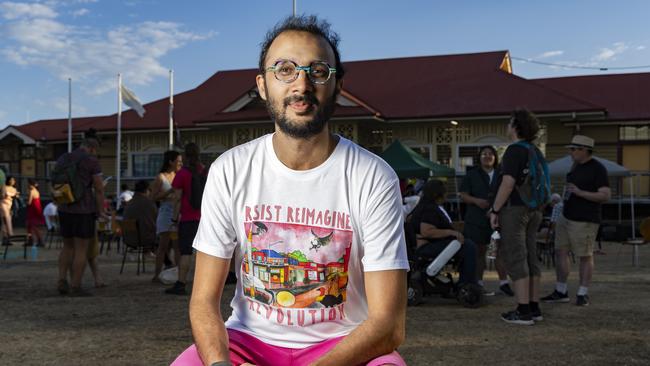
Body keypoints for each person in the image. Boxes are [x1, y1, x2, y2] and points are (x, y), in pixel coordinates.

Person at [172, 15, 408, 366]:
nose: (301, 85)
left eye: (317, 71)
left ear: (337, 86)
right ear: (263, 85)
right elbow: (204, 301)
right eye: (284, 69)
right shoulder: (230, 170)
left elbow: (389, 326)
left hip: (343, 347)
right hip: (247, 342)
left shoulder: (373, 177)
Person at [489, 108, 546, 325]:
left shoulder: (514, 151)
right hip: (534, 209)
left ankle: (522, 311)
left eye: (509, 122)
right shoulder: (535, 151)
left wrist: (495, 209)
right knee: (531, 257)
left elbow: (508, 182)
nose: (507, 126)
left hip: (515, 209)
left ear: (515, 126)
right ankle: (533, 306)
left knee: (516, 256)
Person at [541, 135, 610, 306]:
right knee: (560, 252)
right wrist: (562, 200)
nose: (570, 152)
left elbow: (605, 195)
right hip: (567, 215)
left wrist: (581, 193)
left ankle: (582, 293)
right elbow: (571, 190)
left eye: (573, 149)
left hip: (585, 219)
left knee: (585, 256)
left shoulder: (598, 168)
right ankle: (561, 290)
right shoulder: (575, 167)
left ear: (584, 150)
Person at [56, 134, 106, 296]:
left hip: (64, 207)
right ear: (92, 148)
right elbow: (98, 189)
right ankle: (75, 286)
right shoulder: (91, 161)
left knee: (67, 246)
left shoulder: (64, 158)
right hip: (83, 209)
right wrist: (101, 210)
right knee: (81, 249)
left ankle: (62, 280)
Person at [459, 146, 513, 296]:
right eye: (484, 154)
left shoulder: (501, 174)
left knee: (499, 251)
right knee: (479, 252)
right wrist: (476, 201)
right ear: (479, 157)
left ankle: (504, 283)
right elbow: (463, 195)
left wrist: (496, 209)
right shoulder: (472, 174)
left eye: (490, 154)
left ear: (495, 157)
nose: (487, 156)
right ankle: (479, 284)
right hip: (476, 219)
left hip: (498, 218)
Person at [411, 179, 478, 286]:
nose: (446, 194)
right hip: (426, 247)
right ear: (437, 194)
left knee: (466, 244)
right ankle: (467, 283)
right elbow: (427, 232)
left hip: (426, 245)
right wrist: (452, 233)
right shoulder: (429, 209)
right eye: (444, 192)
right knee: (469, 247)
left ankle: (466, 281)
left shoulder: (426, 206)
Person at [166, 143, 205, 295]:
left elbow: (176, 198)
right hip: (204, 218)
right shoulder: (204, 171)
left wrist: (174, 218)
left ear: (185, 156)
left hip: (188, 218)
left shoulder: (182, 173)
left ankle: (181, 283)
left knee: (186, 252)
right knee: (205, 253)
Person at [150, 150, 182, 283]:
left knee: (177, 245)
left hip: (176, 212)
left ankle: (180, 274)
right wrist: (169, 191)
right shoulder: (161, 177)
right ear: (171, 162)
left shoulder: (179, 175)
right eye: (178, 161)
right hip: (165, 212)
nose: (180, 163)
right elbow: (153, 197)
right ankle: (157, 274)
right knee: (163, 245)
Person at [123, 179, 158, 249]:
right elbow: (153, 223)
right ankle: (161, 257)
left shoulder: (129, 203)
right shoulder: (148, 203)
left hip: (128, 239)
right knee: (165, 234)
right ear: (147, 190)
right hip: (144, 239)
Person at [26, 179, 46, 247]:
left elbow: (29, 202)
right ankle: (35, 240)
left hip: (33, 210)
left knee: (33, 226)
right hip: (38, 209)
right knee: (34, 226)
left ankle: (38, 240)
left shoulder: (31, 191)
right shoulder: (37, 191)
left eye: (29, 184)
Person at [1, 175, 19, 243]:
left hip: (10, 206)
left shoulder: (14, 189)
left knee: (8, 220)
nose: (13, 181)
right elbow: (2, 196)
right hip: (3, 204)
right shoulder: (4, 187)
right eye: (11, 180)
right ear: (8, 180)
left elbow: (15, 198)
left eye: (14, 180)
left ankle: (7, 238)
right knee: (5, 220)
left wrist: (16, 196)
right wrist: (7, 196)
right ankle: (7, 236)